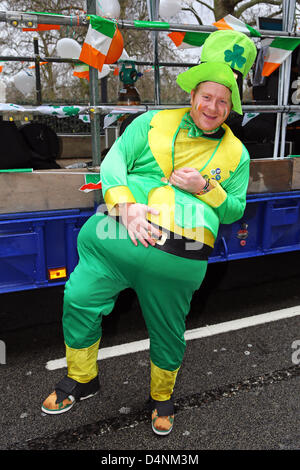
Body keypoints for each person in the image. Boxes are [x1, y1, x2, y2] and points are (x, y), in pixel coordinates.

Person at [42, 31, 256, 436]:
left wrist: (205, 188)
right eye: (206, 96)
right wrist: (124, 206)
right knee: (79, 300)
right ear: (193, 94)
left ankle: (162, 397)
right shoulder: (152, 121)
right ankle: (83, 378)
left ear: (231, 107)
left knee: (168, 332)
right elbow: (114, 162)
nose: (212, 107)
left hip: (179, 256)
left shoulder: (236, 155)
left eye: (222, 100)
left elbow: (236, 209)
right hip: (113, 241)